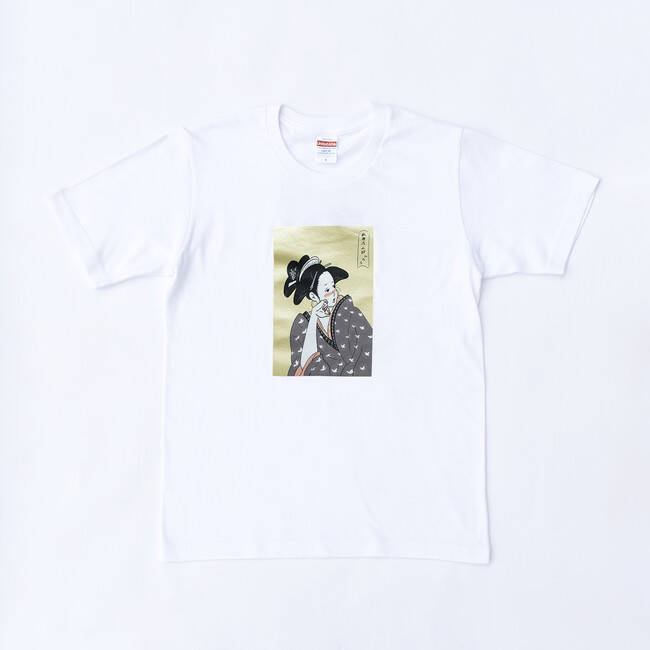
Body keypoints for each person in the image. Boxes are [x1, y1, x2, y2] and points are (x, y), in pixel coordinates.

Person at [283, 255, 372, 376]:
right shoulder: (302, 324)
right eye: (327, 290)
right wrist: (314, 317)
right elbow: (303, 366)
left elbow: (368, 347)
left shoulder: (351, 312)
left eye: (333, 286)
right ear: (313, 296)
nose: (334, 292)